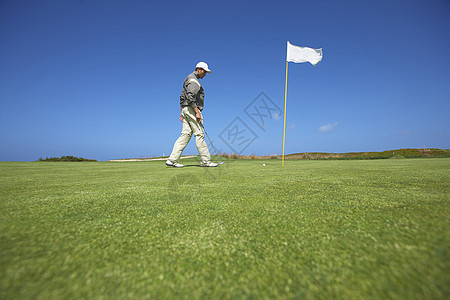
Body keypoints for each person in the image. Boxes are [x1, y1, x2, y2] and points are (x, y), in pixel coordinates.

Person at [166, 62, 218, 168]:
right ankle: (205, 161)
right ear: (199, 69)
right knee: (199, 135)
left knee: (185, 135)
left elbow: (182, 97)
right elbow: (190, 98)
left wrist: (182, 112)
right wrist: (197, 111)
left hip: (185, 109)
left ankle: (172, 160)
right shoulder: (194, 81)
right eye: (204, 72)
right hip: (191, 110)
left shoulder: (188, 78)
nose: (205, 74)